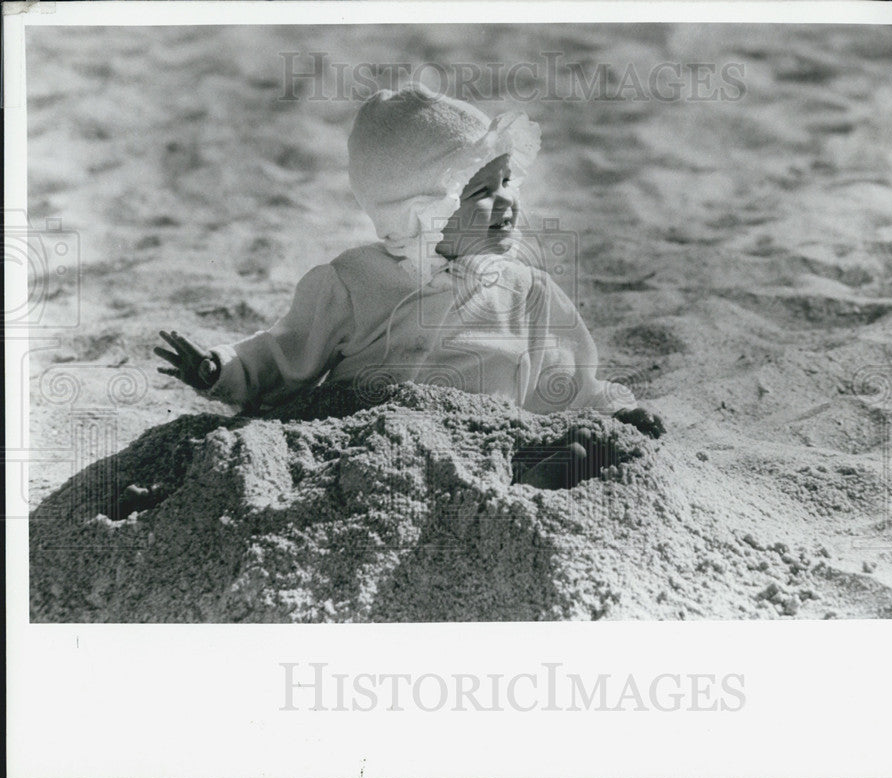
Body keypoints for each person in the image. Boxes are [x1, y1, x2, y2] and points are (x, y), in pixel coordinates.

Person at [156, 84, 663, 488]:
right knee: (275, 459)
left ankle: (540, 480)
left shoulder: (526, 292)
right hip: (364, 448)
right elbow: (283, 356)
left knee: (573, 446)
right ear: (419, 208)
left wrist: (614, 414)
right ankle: (173, 490)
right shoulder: (353, 281)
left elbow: (570, 383)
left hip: (486, 443)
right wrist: (220, 368)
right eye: (482, 191)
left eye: (508, 182)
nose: (507, 201)